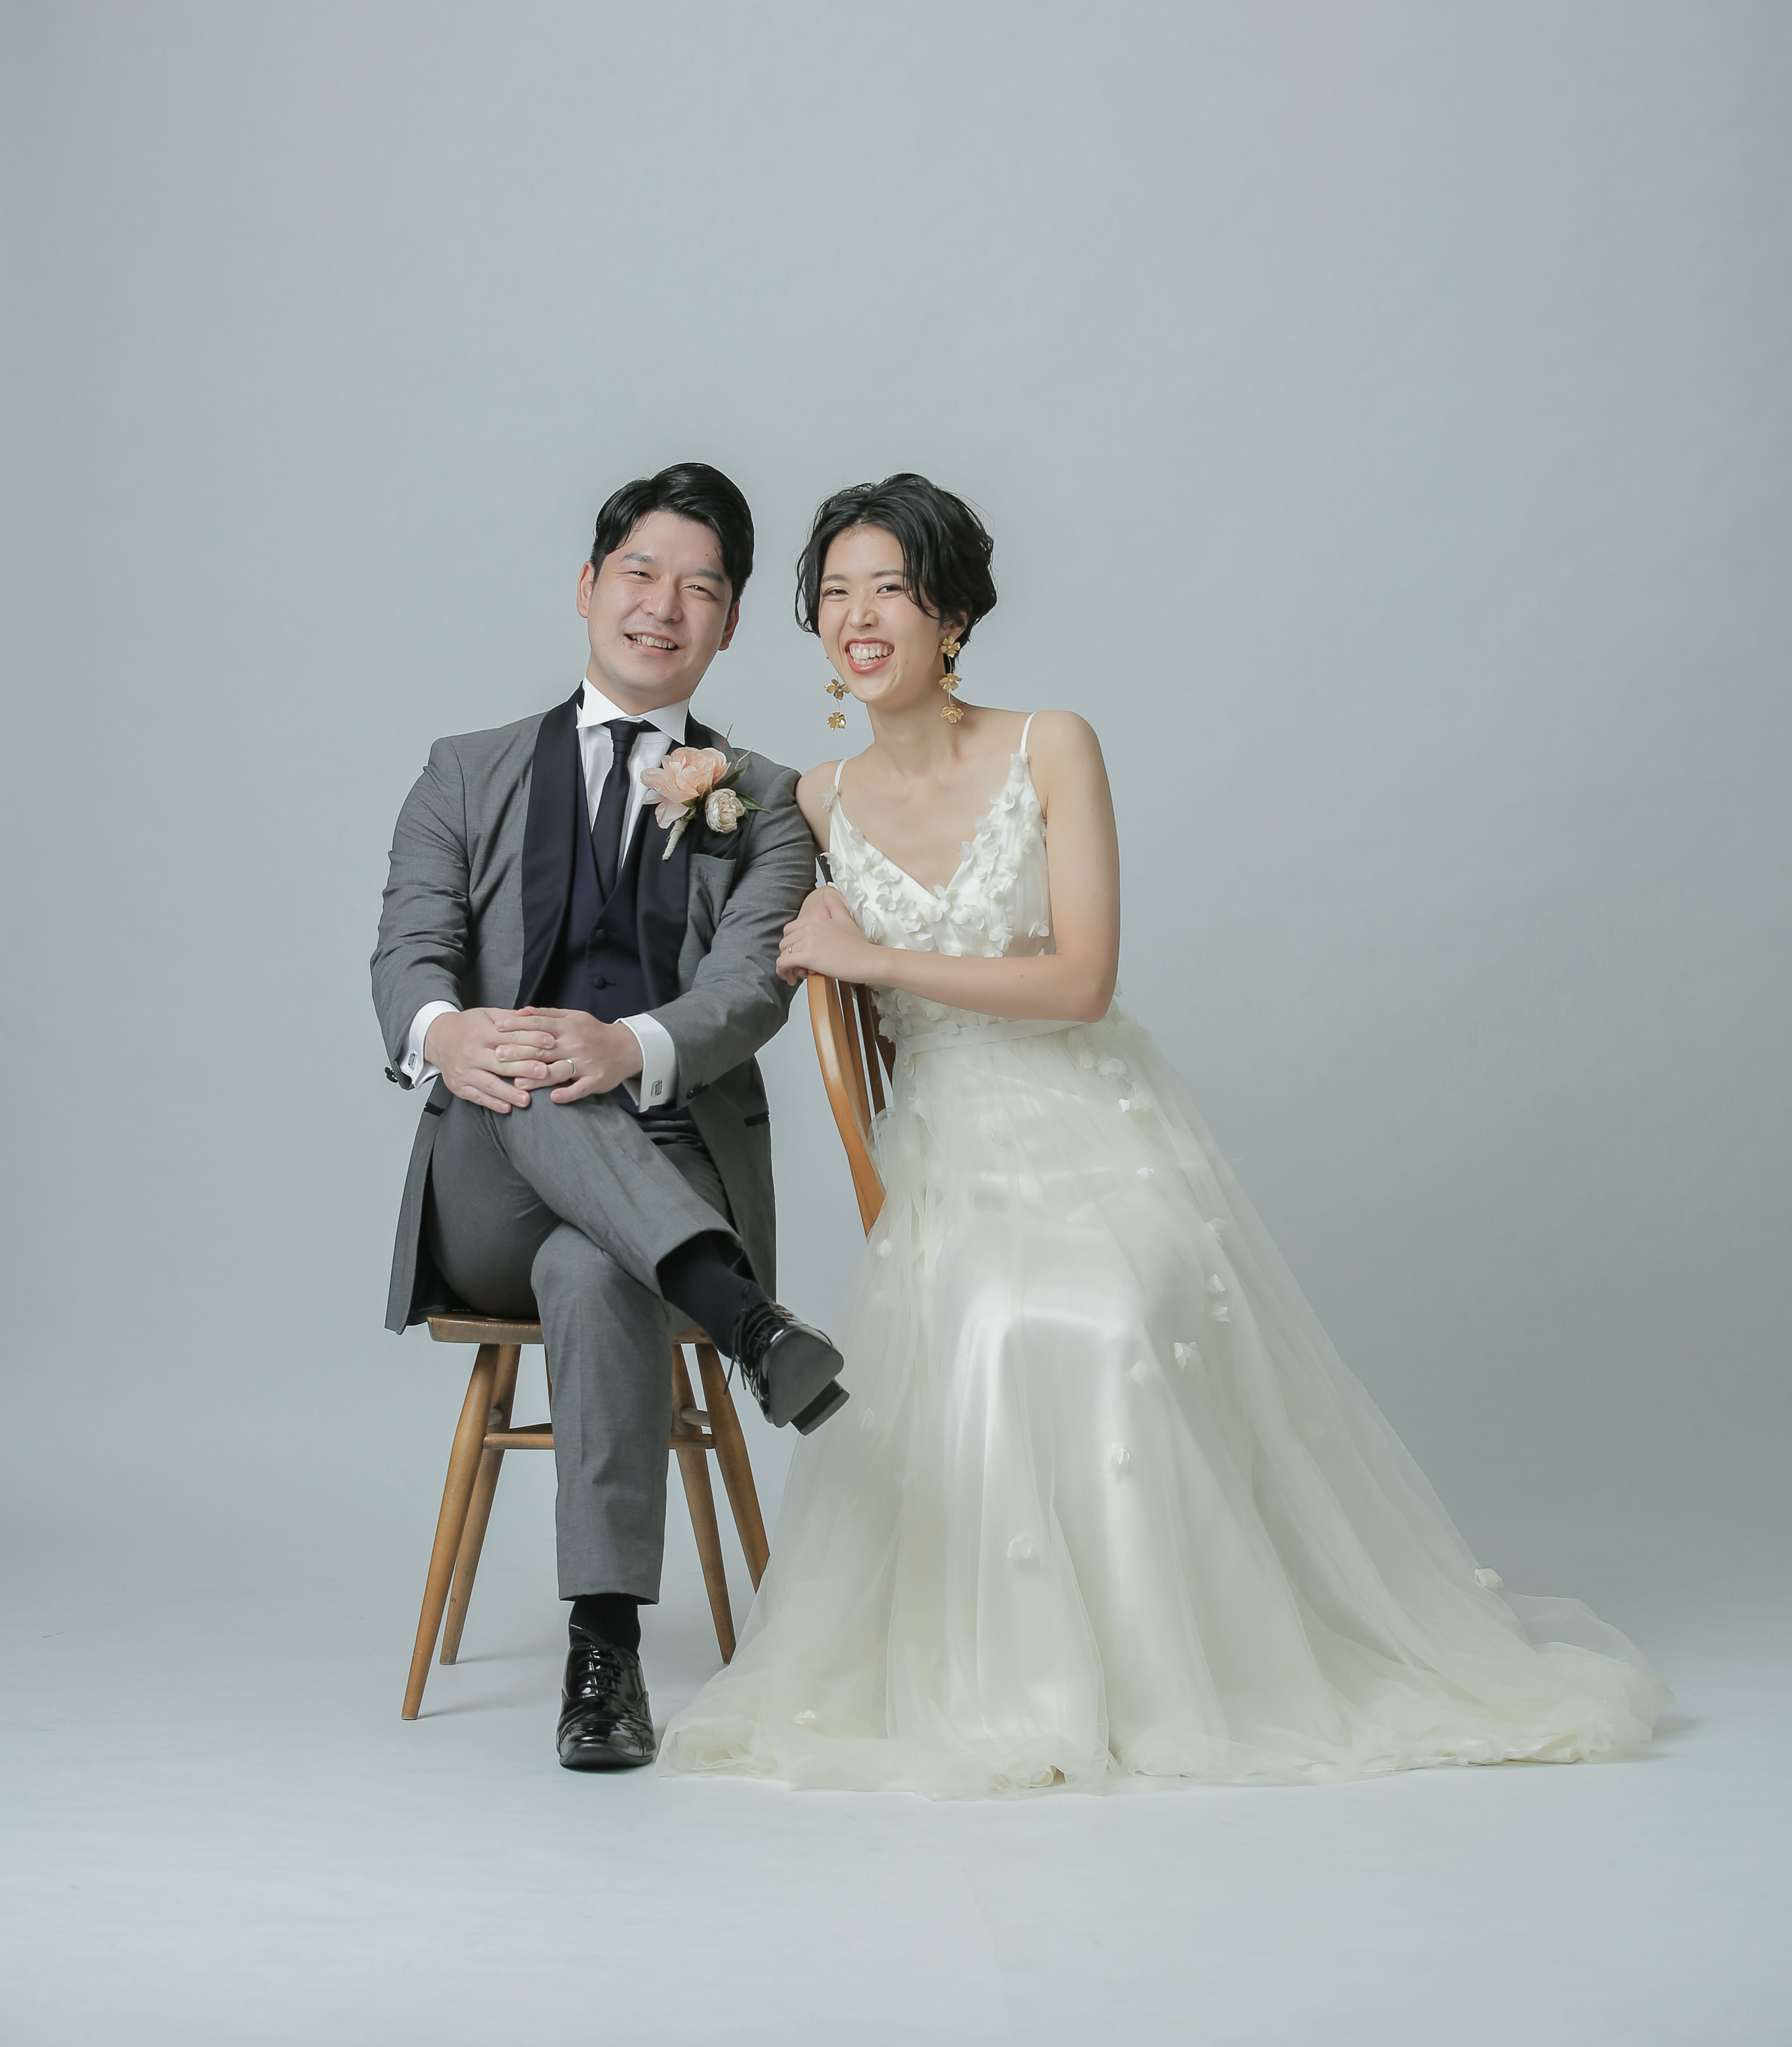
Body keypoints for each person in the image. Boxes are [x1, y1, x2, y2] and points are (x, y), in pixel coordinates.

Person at [657, 473, 1668, 1795]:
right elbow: (750, 952)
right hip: (951, 1143)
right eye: (836, 593)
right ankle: (1032, 1682)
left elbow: (1084, 982)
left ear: (951, 615)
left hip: (1092, 1116)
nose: (860, 617)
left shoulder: (1052, 745)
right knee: (996, 1328)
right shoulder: (817, 801)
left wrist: (878, 954)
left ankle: (1168, 1670)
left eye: (891, 589)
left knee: (1121, 1309)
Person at [371, 463, 844, 1774]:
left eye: (700, 589)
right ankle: (745, 1319)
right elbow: (407, 952)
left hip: (674, 1166)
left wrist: (628, 1046)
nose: (662, 606)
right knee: (522, 1059)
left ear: (729, 625)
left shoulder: (768, 802)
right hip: (492, 1173)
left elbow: (750, 990)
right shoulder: (463, 773)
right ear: (589, 587)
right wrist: (449, 1034)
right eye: (640, 574)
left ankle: (605, 1654)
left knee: (596, 1265)